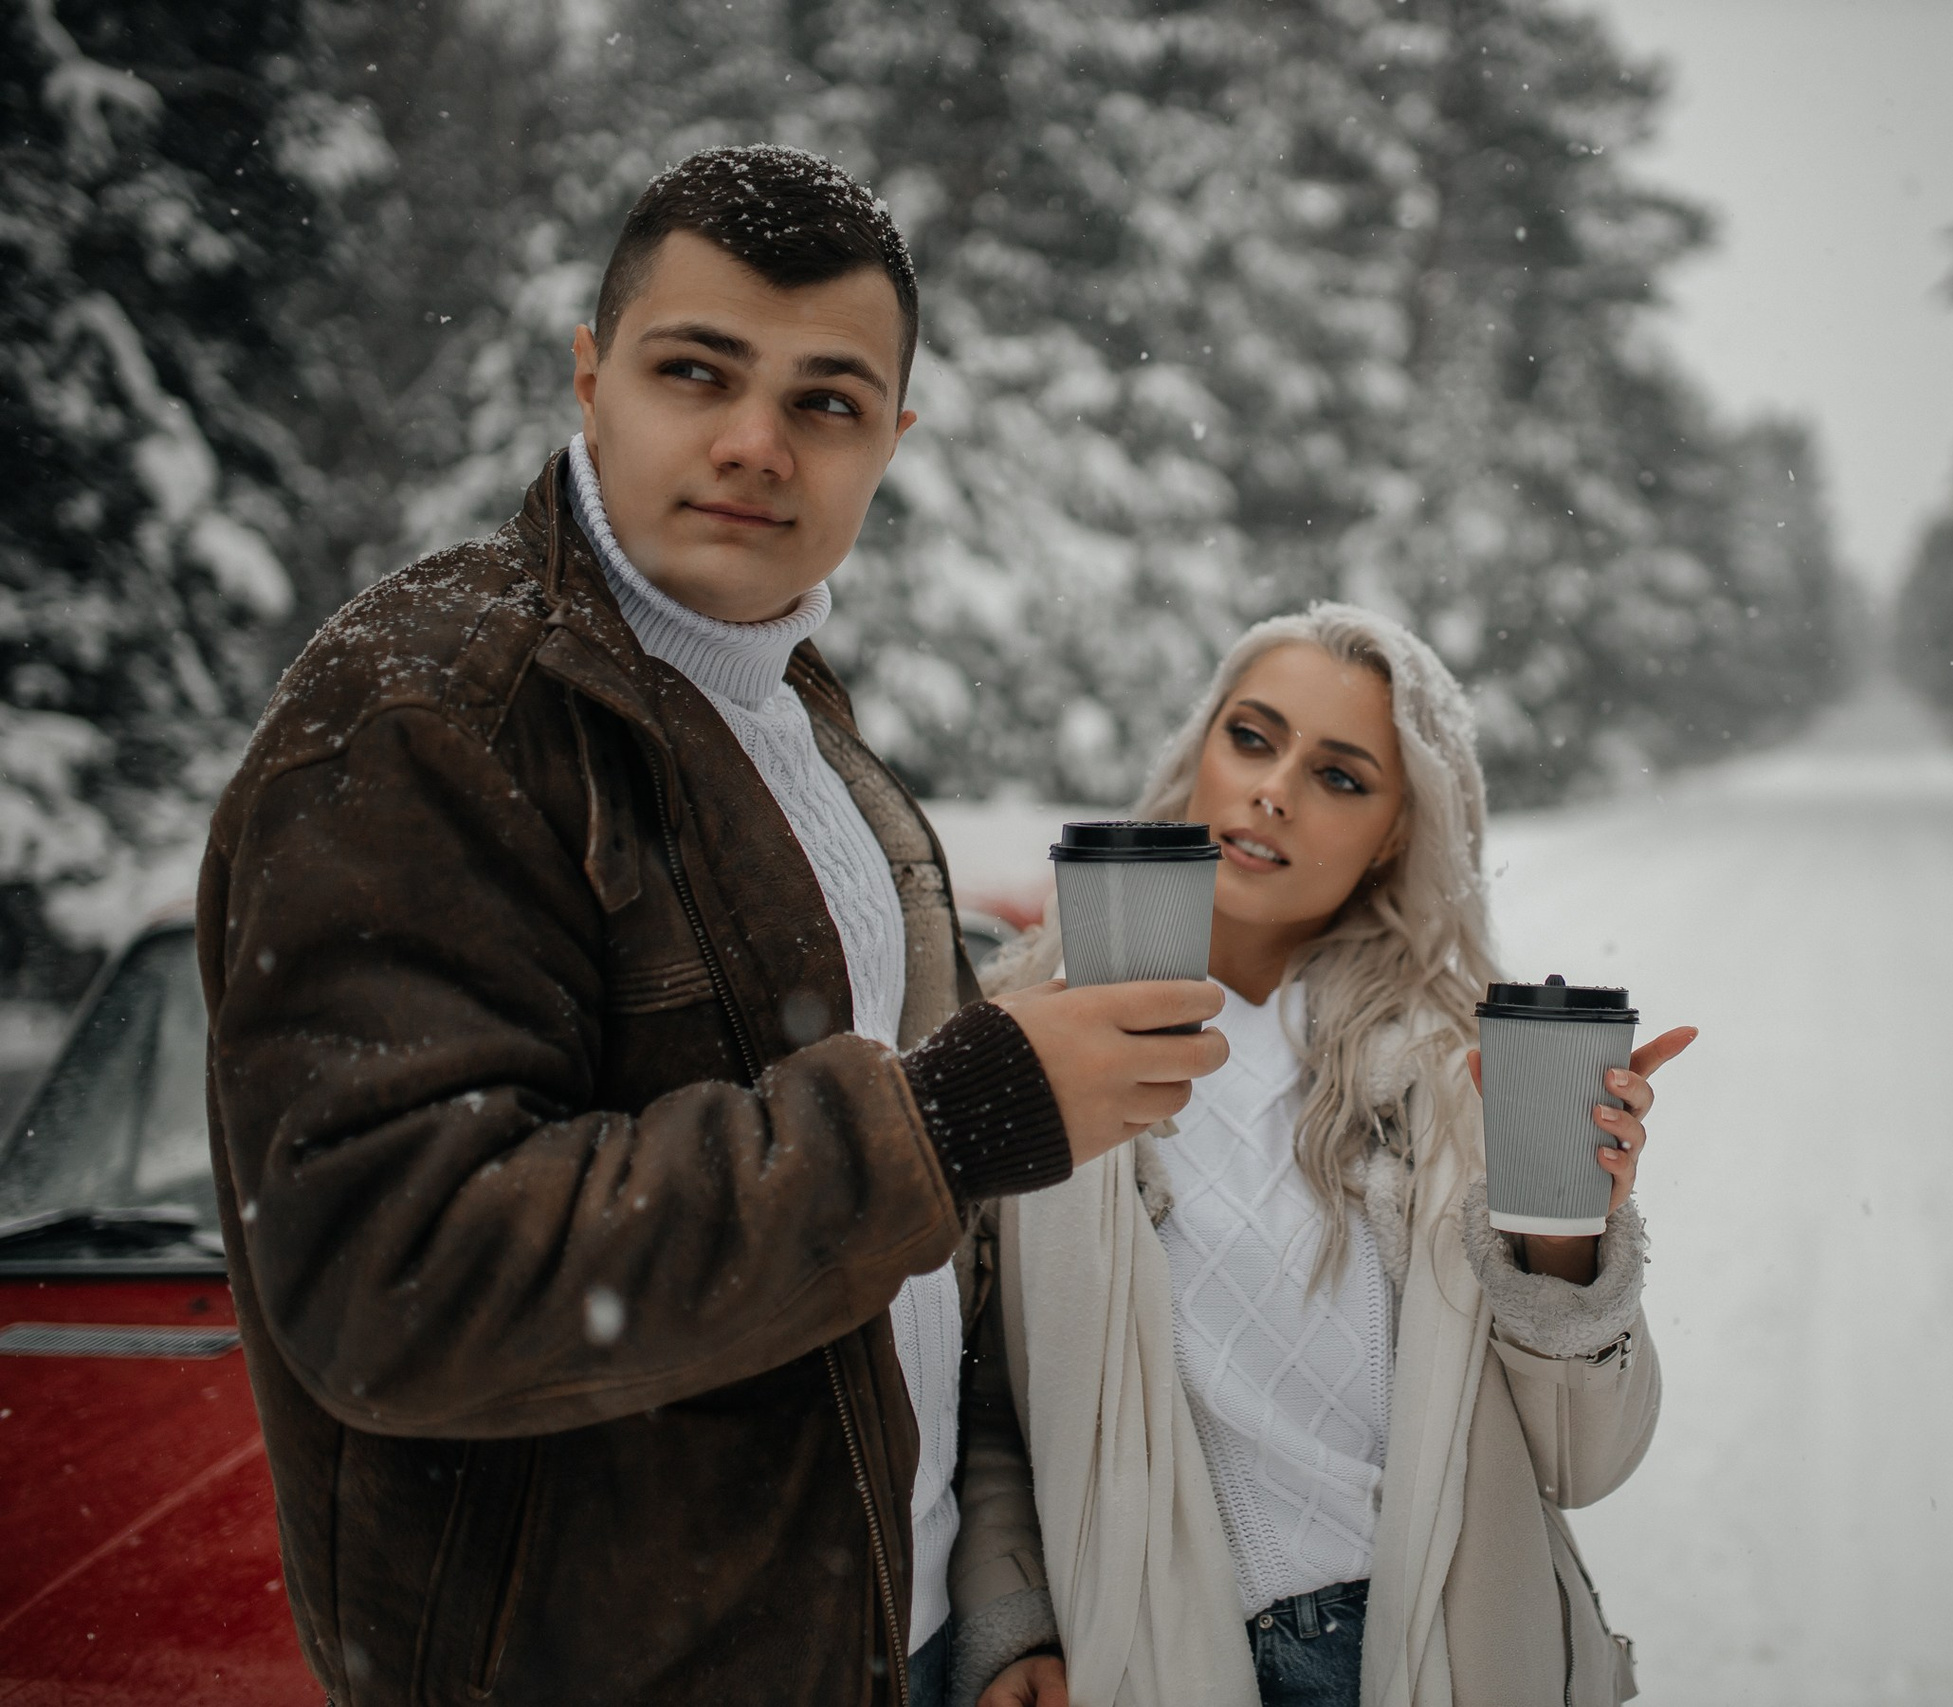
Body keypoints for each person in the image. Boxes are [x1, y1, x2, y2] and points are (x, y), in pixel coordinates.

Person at [196, 144, 1222, 1705]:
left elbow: (912, 1267)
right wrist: (947, 1122)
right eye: (698, 370)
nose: (756, 441)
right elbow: (395, 1277)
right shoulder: (430, 715)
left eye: (828, 399)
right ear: (591, 377)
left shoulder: (790, 711)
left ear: (893, 438)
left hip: (884, 1643)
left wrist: (992, 1587)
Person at [974, 605, 1695, 1706]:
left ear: (1397, 832)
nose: (1273, 790)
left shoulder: (1457, 1076)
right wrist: (1013, 1616)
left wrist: (1564, 1238)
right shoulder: (1038, 1038)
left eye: (1340, 776)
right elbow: (980, 1399)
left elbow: (1580, 1462)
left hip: (1440, 1655)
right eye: (1251, 739)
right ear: (1198, 750)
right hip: (1162, 1659)